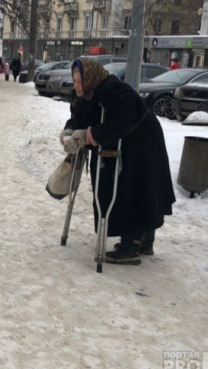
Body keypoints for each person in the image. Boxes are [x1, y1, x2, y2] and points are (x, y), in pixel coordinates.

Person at [60, 58, 176, 265]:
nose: (76, 85)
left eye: (80, 81)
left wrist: (88, 136)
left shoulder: (113, 90)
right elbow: (79, 116)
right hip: (127, 144)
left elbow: (122, 121)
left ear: (91, 78)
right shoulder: (86, 94)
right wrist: (70, 130)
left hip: (140, 142)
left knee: (133, 188)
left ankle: (131, 246)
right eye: (74, 80)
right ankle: (143, 240)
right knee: (140, 188)